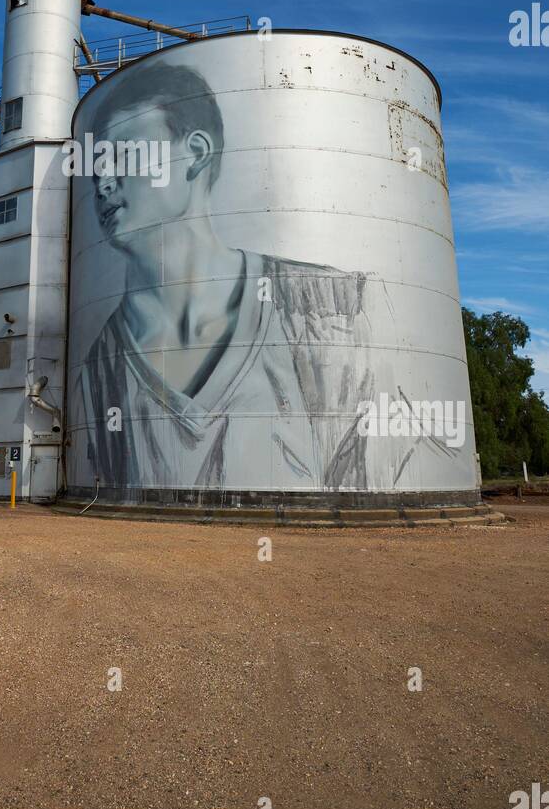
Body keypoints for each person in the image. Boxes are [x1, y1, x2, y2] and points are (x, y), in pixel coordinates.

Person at [70, 61, 386, 493]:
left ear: (196, 154)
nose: (103, 183)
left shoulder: (322, 312)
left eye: (124, 156)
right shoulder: (97, 373)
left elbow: (362, 480)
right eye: (96, 167)